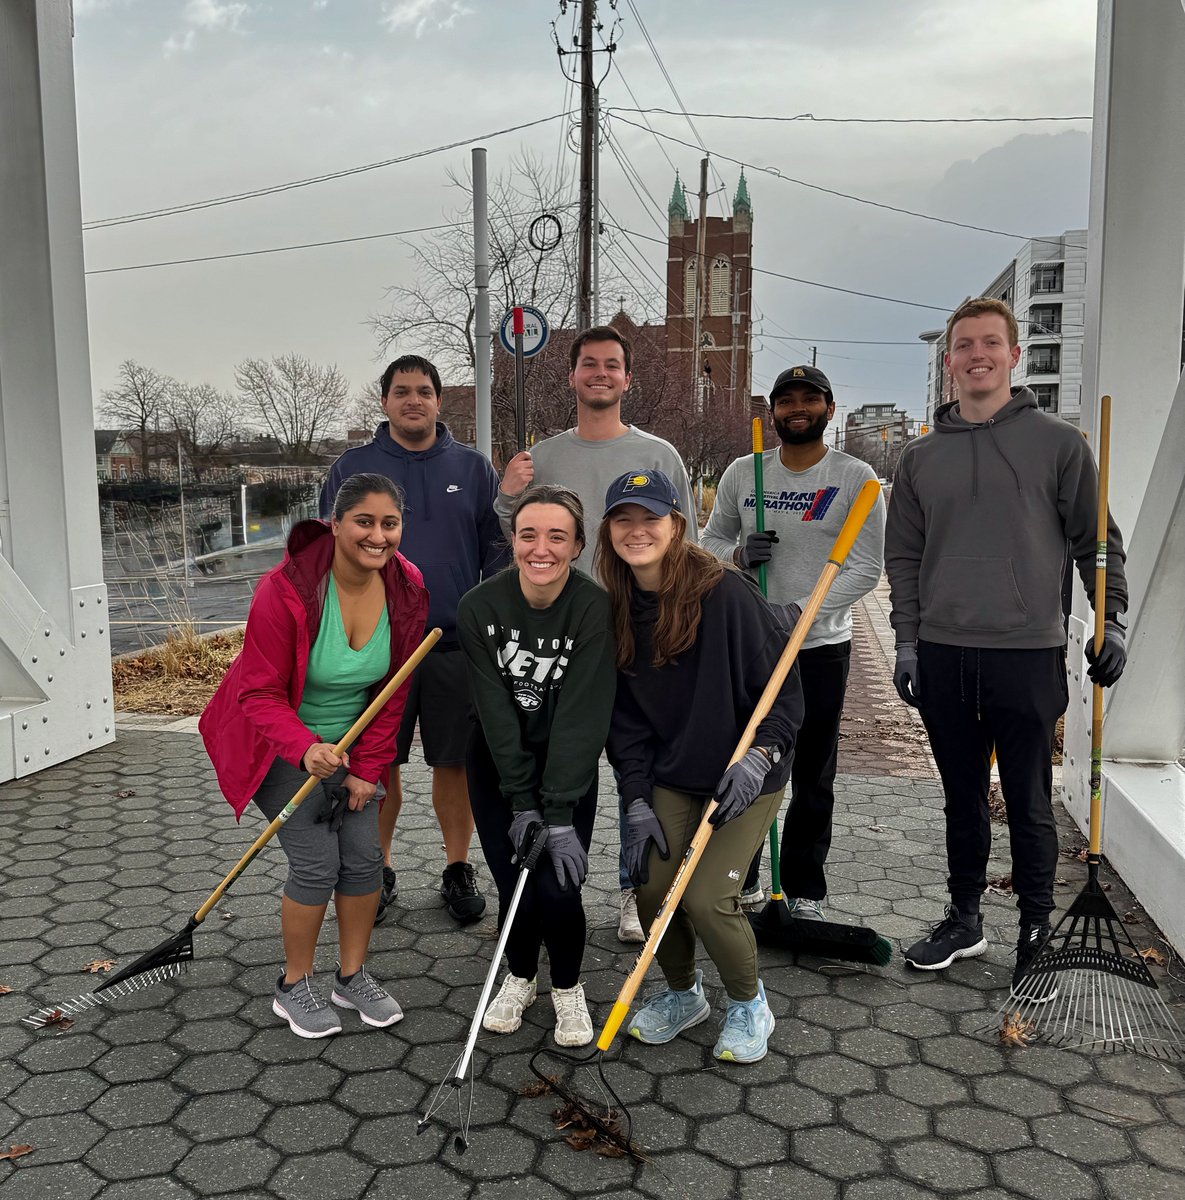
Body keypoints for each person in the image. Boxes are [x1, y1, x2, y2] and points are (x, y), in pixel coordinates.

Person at [885, 297, 1128, 999]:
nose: (976, 355)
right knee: (960, 800)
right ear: (948, 360)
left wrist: (1109, 621)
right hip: (941, 654)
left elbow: (1097, 543)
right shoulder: (920, 457)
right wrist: (905, 643)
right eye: (963, 345)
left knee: (1025, 801)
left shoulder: (1058, 445)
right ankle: (964, 919)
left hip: (1025, 654)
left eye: (990, 343)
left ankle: (1033, 928)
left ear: (1014, 356)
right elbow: (902, 558)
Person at [200, 474, 428, 1038]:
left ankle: (350, 978)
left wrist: (367, 773)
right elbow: (257, 692)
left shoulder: (407, 588)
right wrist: (304, 749)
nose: (378, 536)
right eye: (364, 522)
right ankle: (293, 985)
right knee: (316, 863)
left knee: (364, 857)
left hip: (351, 744)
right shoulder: (287, 590)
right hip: (277, 742)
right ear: (336, 522)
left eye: (390, 523)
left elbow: (392, 692)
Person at [495, 325, 697, 945]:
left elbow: (682, 541)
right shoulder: (542, 457)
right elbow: (517, 534)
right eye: (589, 364)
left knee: (641, 764)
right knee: (570, 762)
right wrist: (506, 494)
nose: (600, 373)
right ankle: (559, 888)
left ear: (627, 378)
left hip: (640, 629)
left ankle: (637, 888)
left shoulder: (659, 455)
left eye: (612, 365)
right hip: (562, 637)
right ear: (573, 375)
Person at [599, 470, 804, 1063]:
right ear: (609, 529)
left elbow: (786, 697)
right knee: (651, 883)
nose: (637, 530)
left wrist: (759, 759)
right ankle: (684, 994)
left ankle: (749, 1003)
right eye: (624, 518)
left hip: (746, 772)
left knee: (710, 896)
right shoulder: (616, 609)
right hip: (672, 772)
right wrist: (636, 798)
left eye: (651, 518)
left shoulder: (726, 593)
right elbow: (627, 725)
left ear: (677, 526)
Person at [320, 355, 505, 926]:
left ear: (438, 400)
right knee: (378, 765)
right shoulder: (354, 467)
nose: (413, 400)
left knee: (455, 764)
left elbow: (496, 551)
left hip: (452, 644)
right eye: (402, 391)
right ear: (384, 401)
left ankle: (457, 866)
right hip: (376, 648)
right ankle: (377, 869)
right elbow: (325, 551)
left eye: (424, 391)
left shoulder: (473, 468)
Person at [703, 364, 884, 918]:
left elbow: (865, 569)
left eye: (810, 399)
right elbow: (706, 544)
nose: (797, 408)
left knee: (812, 772)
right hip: (752, 647)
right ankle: (744, 876)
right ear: (772, 412)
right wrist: (735, 559)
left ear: (830, 408)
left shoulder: (857, 479)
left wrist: (799, 615)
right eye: (786, 401)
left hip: (820, 647)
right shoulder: (744, 472)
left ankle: (805, 889)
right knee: (746, 763)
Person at [458, 484, 616, 1047]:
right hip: (499, 763)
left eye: (557, 536)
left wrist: (555, 813)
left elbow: (581, 717)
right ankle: (520, 976)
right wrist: (520, 801)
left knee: (557, 886)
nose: (541, 548)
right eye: (529, 534)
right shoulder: (479, 608)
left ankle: (568, 988)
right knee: (513, 881)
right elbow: (495, 714)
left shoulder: (593, 607)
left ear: (576, 546)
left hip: (566, 767)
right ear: (513, 540)